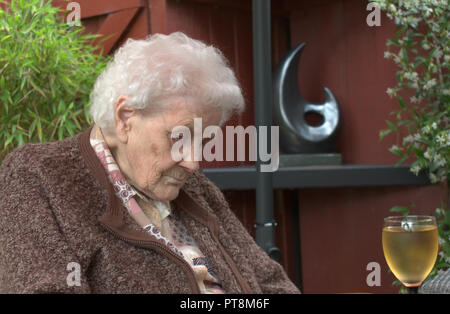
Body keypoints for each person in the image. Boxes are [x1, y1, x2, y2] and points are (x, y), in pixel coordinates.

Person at [0, 32, 300, 294]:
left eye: (204, 141)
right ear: (125, 118)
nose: (194, 163)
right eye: (179, 137)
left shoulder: (196, 189)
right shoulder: (38, 176)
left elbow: (269, 281)